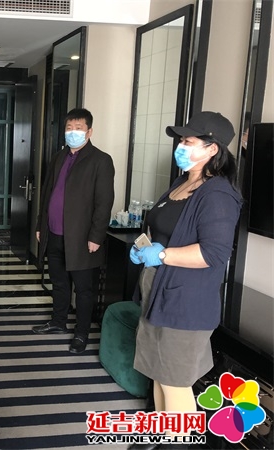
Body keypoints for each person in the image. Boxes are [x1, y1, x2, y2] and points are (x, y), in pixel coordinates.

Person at [128, 111, 242, 449]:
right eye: (181, 140)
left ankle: (176, 443)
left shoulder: (217, 195)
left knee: (175, 382)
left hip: (186, 304)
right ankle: (160, 435)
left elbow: (213, 253)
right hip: (159, 293)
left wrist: (162, 255)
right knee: (159, 373)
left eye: (188, 141)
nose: (180, 146)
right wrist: (144, 248)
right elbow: (162, 228)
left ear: (212, 148)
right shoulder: (181, 183)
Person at [33, 108, 115, 353]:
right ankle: (58, 321)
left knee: (84, 289)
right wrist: (40, 225)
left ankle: (81, 333)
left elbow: (104, 202)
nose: (73, 132)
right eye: (69, 128)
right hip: (54, 234)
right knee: (58, 282)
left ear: (89, 132)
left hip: (81, 238)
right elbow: (47, 194)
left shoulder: (100, 160)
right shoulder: (58, 157)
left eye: (78, 128)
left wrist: (96, 236)